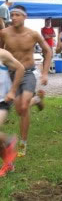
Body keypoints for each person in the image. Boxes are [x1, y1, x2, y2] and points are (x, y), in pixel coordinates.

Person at [0, 5, 52, 157]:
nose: (14, 17)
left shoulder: (33, 34)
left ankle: (23, 142)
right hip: (11, 74)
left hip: (28, 72)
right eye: (13, 14)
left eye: (17, 15)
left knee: (23, 106)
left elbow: (48, 50)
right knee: (19, 110)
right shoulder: (4, 33)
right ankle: (36, 100)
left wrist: (44, 73)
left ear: (24, 17)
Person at [0, 49, 24, 177]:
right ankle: (8, 163)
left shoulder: (2, 54)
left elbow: (20, 68)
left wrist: (13, 91)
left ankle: (9, 141)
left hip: (2, 100)